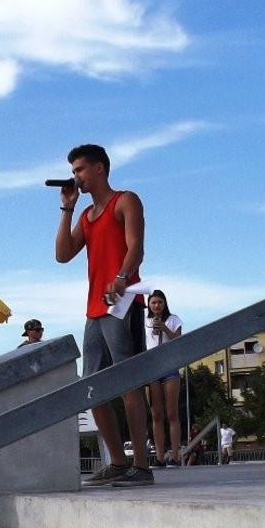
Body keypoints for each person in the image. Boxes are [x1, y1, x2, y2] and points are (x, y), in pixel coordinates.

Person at [55, 143, 153, 487]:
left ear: (99, 168)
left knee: (127, 379)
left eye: (80, 169)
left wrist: (122, 277)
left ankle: (142, 465)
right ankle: (117, 460)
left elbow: (136, 248)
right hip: (95, 307)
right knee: (91, 385)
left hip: (123, 300)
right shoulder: (86, 215)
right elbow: (62, 255)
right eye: (73, 171)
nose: (76, 177)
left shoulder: (125, 200)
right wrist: (67, 208)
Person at [145, 290, 183, 468]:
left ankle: (175, 456)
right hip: (152, 369)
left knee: (172, 413)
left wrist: (165, 329)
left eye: (160, 302)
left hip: (170, 368)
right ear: (149, 305)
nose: (157, 306)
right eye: (153, 303)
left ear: (164, 303)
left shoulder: (173, 319)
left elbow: (179, 340)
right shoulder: (144, 322)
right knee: (157, 415)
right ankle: (159, 458)